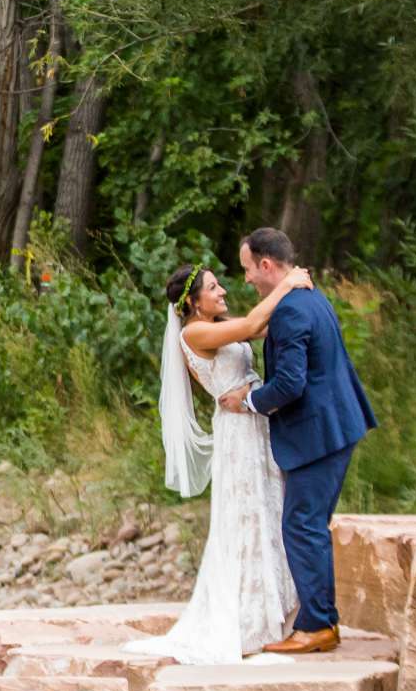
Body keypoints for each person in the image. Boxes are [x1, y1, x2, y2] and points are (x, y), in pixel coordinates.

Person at [116, 258, 314, 665]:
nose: (223, 290)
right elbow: (251, 324)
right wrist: (288, 281)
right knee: (245, 513)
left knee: (269, 508)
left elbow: (259, 326)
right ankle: (248, 619)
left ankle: (278, 611)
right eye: (213, 287)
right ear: (193, 302)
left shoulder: (213, 324)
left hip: (253, 421)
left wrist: (291, 296)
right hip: (237, 432)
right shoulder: (196, 332)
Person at [218, 227, 376, 654]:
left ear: (266, 265)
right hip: (336, 424)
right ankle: (320, 621)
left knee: (302, 526)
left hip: (319, 432)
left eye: (249, 269)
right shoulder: (307, 297)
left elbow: (289, 385)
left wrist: (247, 401)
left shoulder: (290, 310)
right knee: (307, 525)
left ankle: (318, 626)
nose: (247, 278)